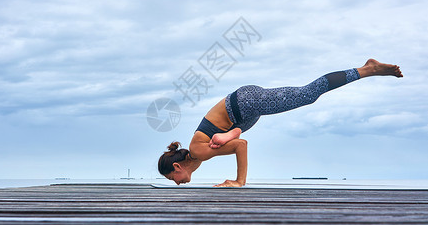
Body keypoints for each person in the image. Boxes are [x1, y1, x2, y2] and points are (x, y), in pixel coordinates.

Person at [157, 59, 403, 187]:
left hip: (244, 103)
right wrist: (229, 135)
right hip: (242, 110)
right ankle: (365, 69)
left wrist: (239, 181)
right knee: (306, 96)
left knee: (307, 94)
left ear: (178, 168)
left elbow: (241, 144)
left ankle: (366, 69)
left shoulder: (198, 152)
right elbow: (236, 133)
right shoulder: (195, 157)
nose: (175, 183)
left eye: (172, 179)